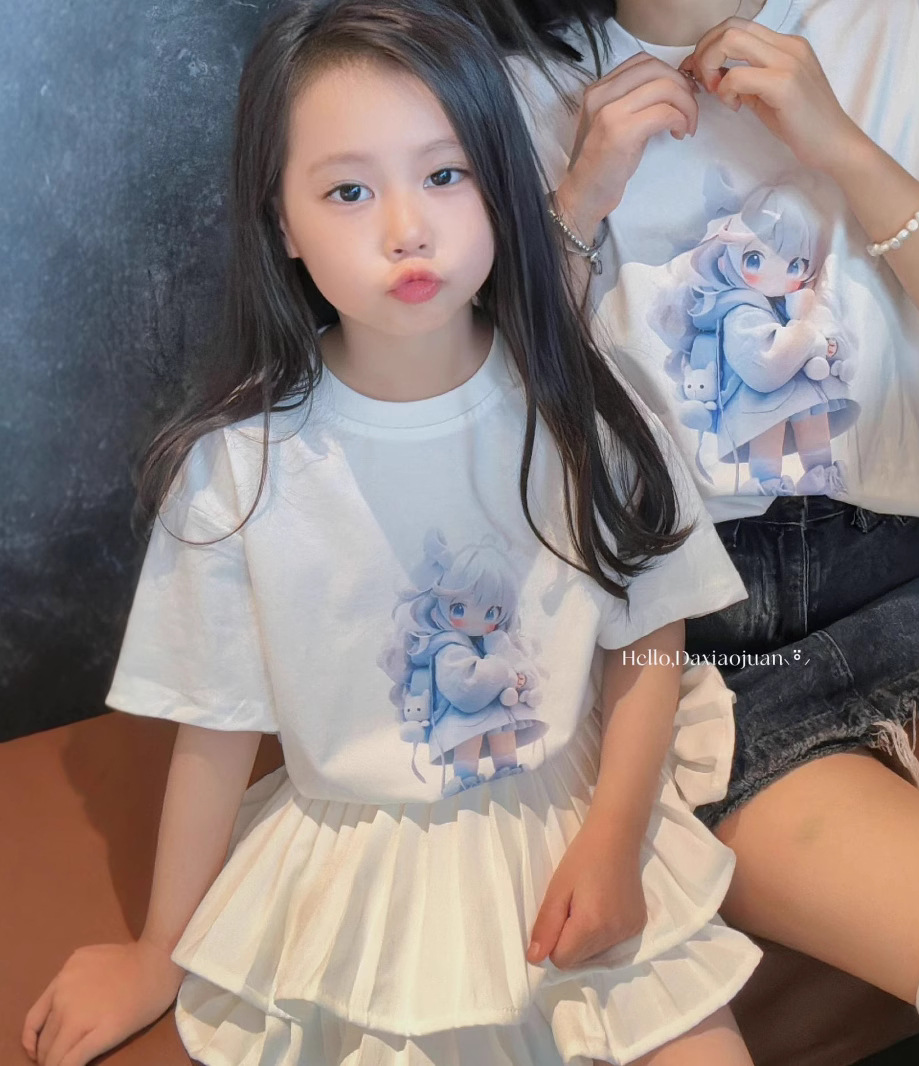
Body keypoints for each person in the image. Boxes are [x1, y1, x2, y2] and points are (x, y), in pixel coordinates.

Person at [20, 2, 766, 1065]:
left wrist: (612, 840)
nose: (406, 229)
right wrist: (156, 951)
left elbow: (649, 630)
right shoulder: (242, 471)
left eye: (445, 174)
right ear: (282, 221)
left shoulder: (578, 403)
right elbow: (215, 726)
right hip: (358, 877)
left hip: (573, 821)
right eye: (348, 191)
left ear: (500, 182)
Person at [468, 0, 919, 1062]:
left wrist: (840, 144)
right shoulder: (514, 88)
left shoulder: (891, 32)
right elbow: (477, 432)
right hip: (688, 655)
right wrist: (579, 200)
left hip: (898, 584)